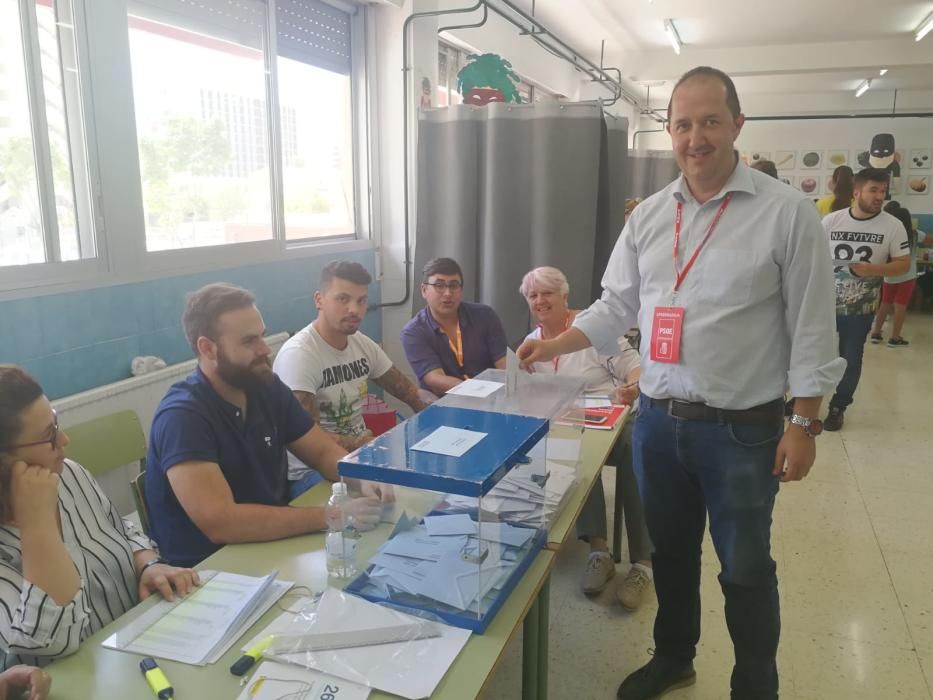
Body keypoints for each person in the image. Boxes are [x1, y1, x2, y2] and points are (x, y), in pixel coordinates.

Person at [517, 66, 843, 700]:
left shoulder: (786, 214)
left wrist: (804, 422)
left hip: (742, 431)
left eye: (710, 121)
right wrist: (552, 344)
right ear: (669, 131)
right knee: (671, 556)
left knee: (745, 568)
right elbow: (614, 306)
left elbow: (812, 327)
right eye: (683, 124)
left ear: (737, 125)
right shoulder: (648, 218)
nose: (696, 137)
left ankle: (756, 685)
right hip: (659, 423)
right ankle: (674, 658)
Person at [145, 284, 390, 568]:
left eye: (261, 335)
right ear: (207, 348)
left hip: (268, 545)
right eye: (249, 341)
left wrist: (364, 477)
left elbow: (322, 453)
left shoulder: (264, 386)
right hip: (207, 570)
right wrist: (331, 515)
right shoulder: (183, 416)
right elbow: (222, 523)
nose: (264, 349)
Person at [0, 366, 199, 668]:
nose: (64, 440)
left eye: (57, 424)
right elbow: (52, 645)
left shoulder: (70, 474)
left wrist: (148, 564)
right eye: (49, 436)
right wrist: (37, 525)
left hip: (142, 652)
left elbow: (122, 530)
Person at [520, 267, 652, 609]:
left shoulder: (593, 330)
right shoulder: (531, 342)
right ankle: (599, 551)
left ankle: (643, 565)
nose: (539, 301)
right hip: (573, 428)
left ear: (565, 296)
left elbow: (634, 367)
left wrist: (632, 388)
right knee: (575, 451)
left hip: (618, 420)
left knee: (636, 454)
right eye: (533, 295)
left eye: (547, 293)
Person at [274, 261, 427, 497]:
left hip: (361, 458)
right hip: (312, 473)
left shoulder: (362, 344)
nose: (354, 309)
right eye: (343, 299)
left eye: (361, 300)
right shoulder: (300, 355)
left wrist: (441, 418)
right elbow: (308, 439)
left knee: (422, 490)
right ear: (319, 300)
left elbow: (409, 392)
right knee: (386, 506)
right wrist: (374, 443)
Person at [823, 168, 910, 431]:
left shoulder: (892, 226)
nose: (879, 197)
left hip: (860, 308)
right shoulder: (831, 221)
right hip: (822, 304)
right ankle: (803, 400)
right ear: (856, 191)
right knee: (812, 353)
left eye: (882, 192)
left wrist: (872, 269)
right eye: (873, 190)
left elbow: (903, 265)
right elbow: (811, 255)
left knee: (850, 355)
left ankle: (839, 405)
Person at [401, 258, 508, 396]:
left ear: (461, 289)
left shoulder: (485, 315)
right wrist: (478, 391)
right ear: (424, 290)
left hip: (493, 398)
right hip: (445, 402)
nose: (447, 293)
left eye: (453, 285)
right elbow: (435, 379)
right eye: (439, 285)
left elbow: (503, 362)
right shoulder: (413, 332)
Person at [871, 204, 932, 347]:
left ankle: (876, 333)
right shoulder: (915, 234)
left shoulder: (889, 233)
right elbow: (929, 240)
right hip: (907, 276)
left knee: (884, 304)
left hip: (889, 274)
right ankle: (895, 337)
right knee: (900, 306)